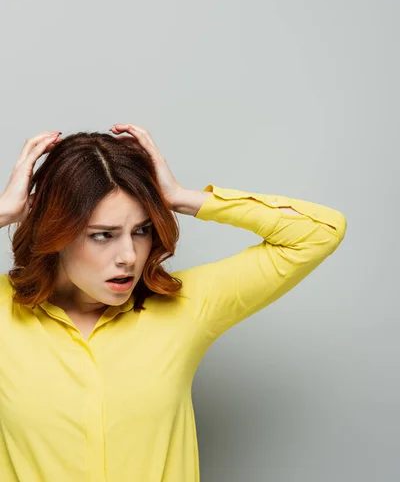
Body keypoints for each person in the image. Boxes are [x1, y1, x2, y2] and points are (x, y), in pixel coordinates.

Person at [0, 123, 347, 482]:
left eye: (142, 230)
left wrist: (182, 198)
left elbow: (320, 232)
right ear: (55, 231)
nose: (128, 256)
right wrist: (5, 212)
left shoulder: (185, 307)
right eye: (103, 235)